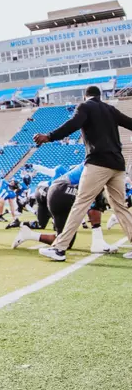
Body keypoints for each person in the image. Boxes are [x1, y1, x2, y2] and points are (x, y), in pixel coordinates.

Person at [33, 85, 132, 261]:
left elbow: (74, 124)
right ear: (99, 96)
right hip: (118, 165)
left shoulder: (85, 107)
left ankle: (60, 249)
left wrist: (49, 136)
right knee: (121, 208)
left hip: (98, 162)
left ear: (85, 96)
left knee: (81, 203)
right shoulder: (110, 109)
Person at [12, 164, 115, 254]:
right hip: (49, 193)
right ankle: (29, 233)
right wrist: (34, 166)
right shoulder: (67, 173)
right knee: (58, 235)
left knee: (64, 239)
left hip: (55, 194)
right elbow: (47, 171)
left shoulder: (81, 174)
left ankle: (30, 232)